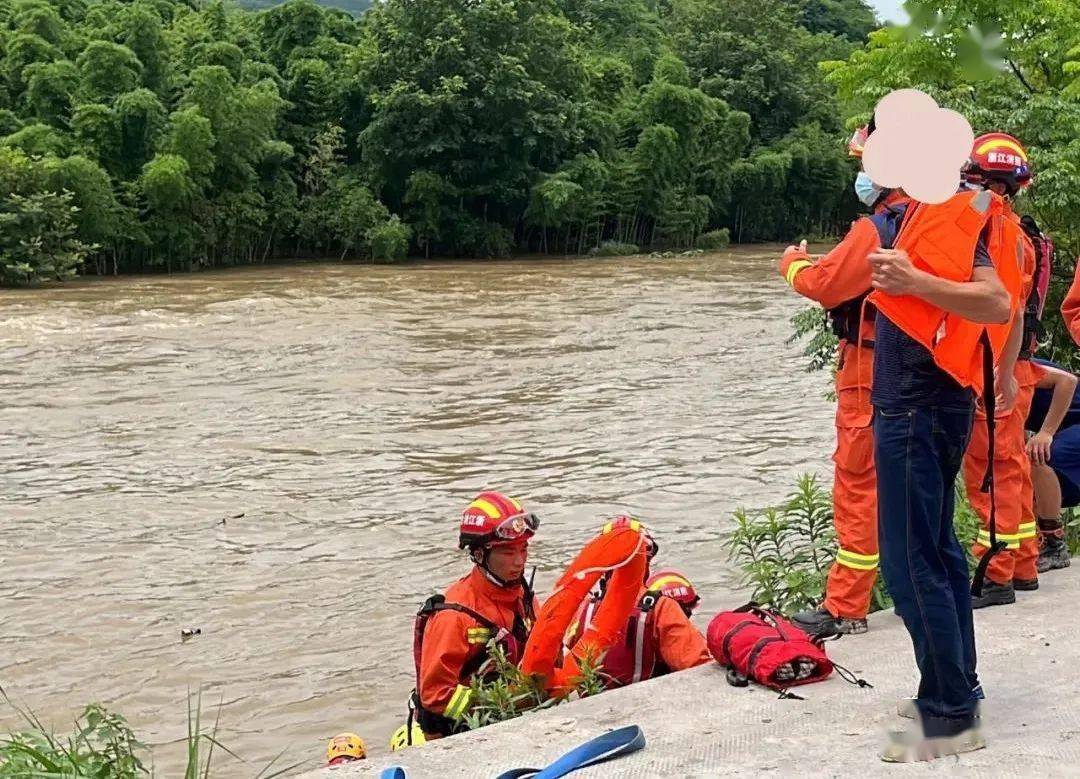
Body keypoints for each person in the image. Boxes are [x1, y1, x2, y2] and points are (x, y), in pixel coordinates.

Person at [868, 178, 1019, 760]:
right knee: (939, 551)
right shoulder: (925, 222)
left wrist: (912, 281)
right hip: (935, 404)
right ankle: (954, 685)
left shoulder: (920, 224)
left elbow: (999, 303)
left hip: (917, 409)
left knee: (910, 562)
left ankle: (950, 718)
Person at [780, 122, 910, 638]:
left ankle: (845, 606)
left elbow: (825, 285)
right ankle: (915, 590)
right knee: (916, 486)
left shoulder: (876, 230)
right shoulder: (941, 221)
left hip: (870, 372)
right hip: (931, 373)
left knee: (858, 486)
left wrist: (793, 261)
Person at [958, 134, 1043, 608]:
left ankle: (995, 576)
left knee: (992, 476)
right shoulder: (1017, 233)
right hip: (1016, 367)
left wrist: (998, 374)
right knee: (1012, 470)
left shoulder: (997, 232)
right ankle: (1025, 563)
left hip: (995, 368)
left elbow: (1004, 307)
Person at [393, 491, 540, 747]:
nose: (520, 561)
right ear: (480, 554)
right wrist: (500, 702)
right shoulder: (453, 616)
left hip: (519, 723)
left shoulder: (522, 596)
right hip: (464, 737)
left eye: (524, 548)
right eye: (507, 552)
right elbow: (436, 695)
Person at [562, 522, 710, 688]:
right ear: (645, 561)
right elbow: (698, 667)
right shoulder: (661, 608)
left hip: (590, 704)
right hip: (644, 707)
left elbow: (565, 662)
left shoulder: (585, 607)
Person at [1026, 359, 1079, 572]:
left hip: (1071, 425)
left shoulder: (1009, 363)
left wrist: (1046, 432)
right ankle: (1035, 542)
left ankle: (1054, 543)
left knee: (1038, 456)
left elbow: (1068, 381)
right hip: (1065, 429)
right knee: (1019, 469)